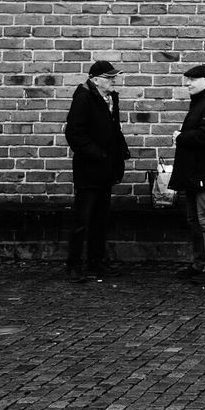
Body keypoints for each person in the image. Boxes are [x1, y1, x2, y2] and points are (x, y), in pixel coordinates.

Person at [64, 59, 131, 283]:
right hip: (89, 169)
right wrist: (99, 155)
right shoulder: (84, 98)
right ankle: (74, 265)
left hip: (106, 169)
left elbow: (113, 130)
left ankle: (96, 262)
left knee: (100, 219)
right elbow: (75, 134)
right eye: (109, 78)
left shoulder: (111, 98)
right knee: (82, 219)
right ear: (95, 80)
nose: (113, 81)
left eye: (114, 77)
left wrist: (120, 152)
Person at [170, 64, 205, 286]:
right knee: (195, 221)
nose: (188, 83)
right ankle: (199, 264)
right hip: (195, 175)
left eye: (193, 79)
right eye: (188, 79)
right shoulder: (202, 103)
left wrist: (182, 136)